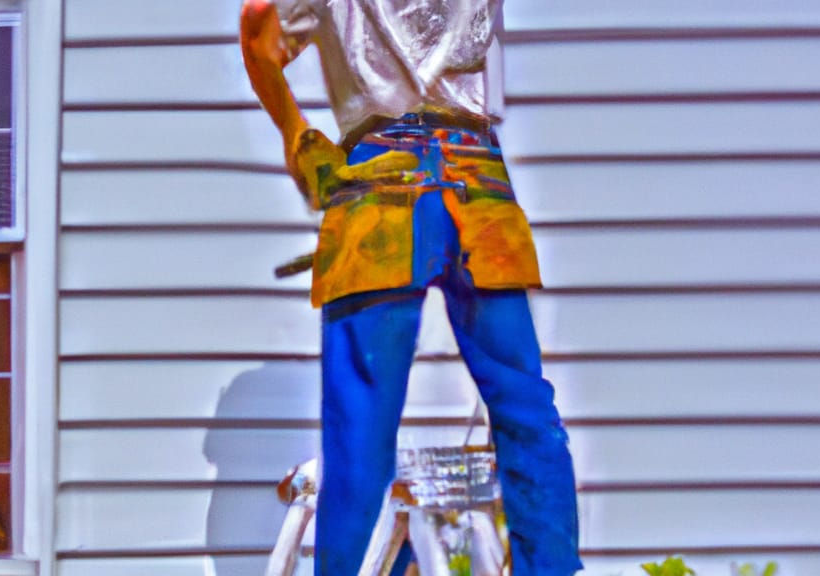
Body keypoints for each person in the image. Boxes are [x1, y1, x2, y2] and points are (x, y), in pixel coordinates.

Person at [240, 0, 583, 573]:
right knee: (524, 405)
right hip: (477, 174)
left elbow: (258, 23)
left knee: (360, 424)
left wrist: (296, 134)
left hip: (381, 182)